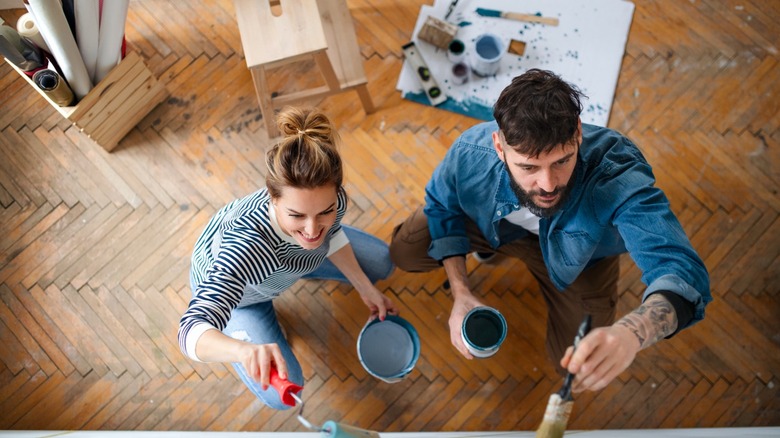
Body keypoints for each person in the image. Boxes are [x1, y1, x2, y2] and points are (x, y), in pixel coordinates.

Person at [389, 69, 711, 393]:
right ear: (499, 147)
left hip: (583, 260)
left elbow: (681, 270)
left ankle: (502, 253)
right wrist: (460, 290)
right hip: (499, 228)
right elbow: (442, 206)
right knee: (406, 249)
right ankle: (492, 247)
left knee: (574, 365)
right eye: (528, 167)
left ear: (578, 134)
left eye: (562, 161)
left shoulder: (616, 171)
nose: (547, 186)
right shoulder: (471, 153)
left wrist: (633, 331)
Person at [178, 107, 397, 410]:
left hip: (289, 265)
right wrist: (242, 351)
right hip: (246, 296)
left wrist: (363, 286)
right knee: (284, 395)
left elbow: (329, 236)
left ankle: (306, 266)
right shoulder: (244, 248)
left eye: (325, 212)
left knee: (382, 262)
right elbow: (190, 332)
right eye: (296, 215)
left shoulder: (332, 202)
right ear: (272, 197)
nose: (312, 230)